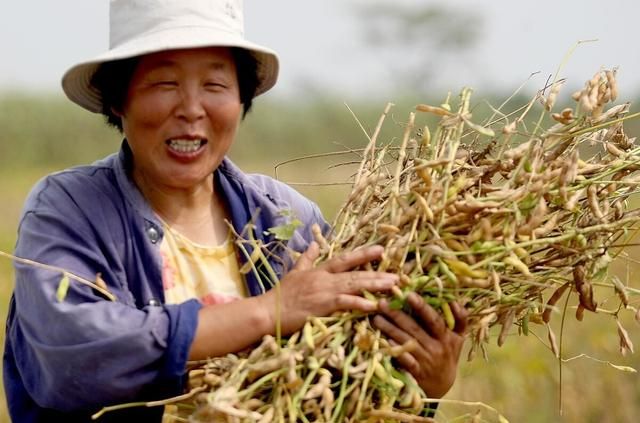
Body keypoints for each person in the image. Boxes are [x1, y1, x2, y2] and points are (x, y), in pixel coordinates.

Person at [3, 1, 468, 422]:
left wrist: (422, 387)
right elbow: (71, 357)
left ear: (242, 99)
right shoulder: (69, 210)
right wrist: (271, 310)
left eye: (215, 84)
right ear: (118, 99)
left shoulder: (288, 222)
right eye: (164, 83)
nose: (191, 108)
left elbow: (345, 390)